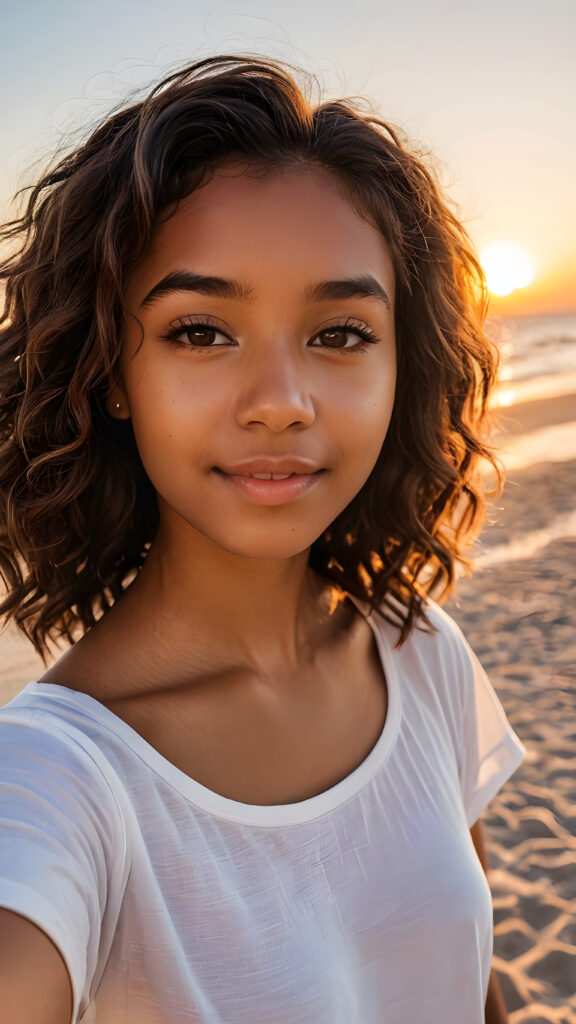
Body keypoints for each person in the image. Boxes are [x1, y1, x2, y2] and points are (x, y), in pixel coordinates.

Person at [0, 54, 525, 1024]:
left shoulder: (419, 653)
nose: (283, 403)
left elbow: (470, 983)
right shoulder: (55, 780)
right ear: (114, 369)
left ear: (400, 364)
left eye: (340, 333)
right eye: (202, 331)